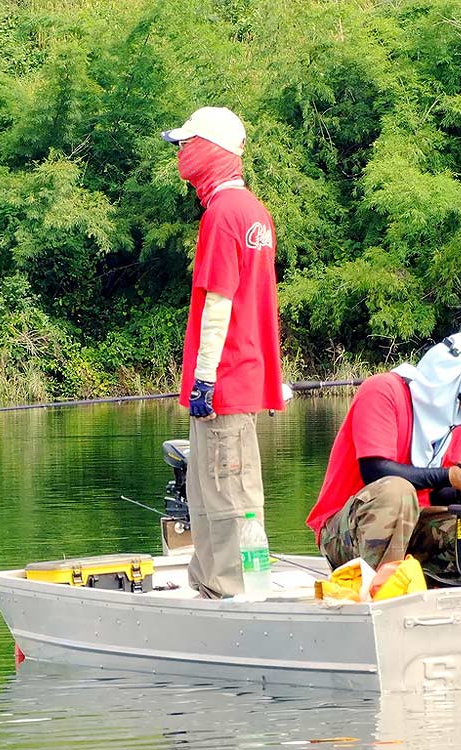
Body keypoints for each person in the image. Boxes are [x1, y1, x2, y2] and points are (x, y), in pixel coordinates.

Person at [162, 106, 284, 598]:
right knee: (214, 490)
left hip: (225, 382)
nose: (180, 154)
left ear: (209, 150)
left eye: (186, 145)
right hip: (246, 375)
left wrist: (205, 378)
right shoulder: (254, 211)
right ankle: (212, 583)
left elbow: (220, 300)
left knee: (226, 493)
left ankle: (231, 590)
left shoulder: (222, 214)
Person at [305, 332, 461, 583]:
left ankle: (420, 584)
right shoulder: (383, 390)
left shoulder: (456, 422)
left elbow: (440, 495)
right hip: (346, 533)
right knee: (397, 491)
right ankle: (383, 588)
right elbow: (374, 470)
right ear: (449, 375)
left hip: (411, 525)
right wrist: (449, 475)